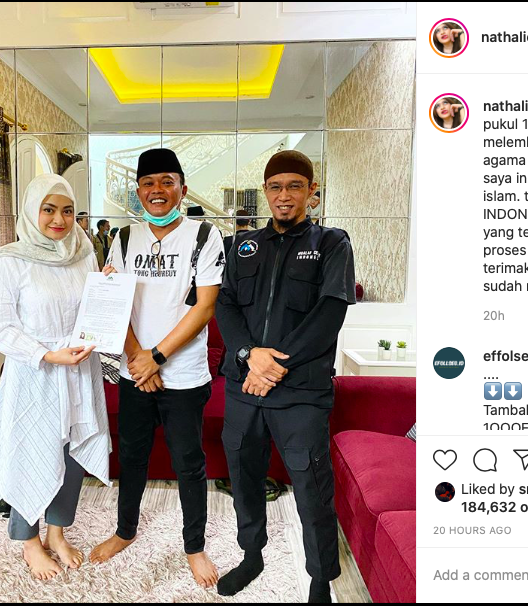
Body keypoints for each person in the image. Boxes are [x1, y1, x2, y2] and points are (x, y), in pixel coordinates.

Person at [216, 150, 356, 603]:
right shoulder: (243, 245)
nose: (284, 195)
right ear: (265, 191)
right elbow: (226, 305)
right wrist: (248, 355)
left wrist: (272, 366)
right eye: (275, 187)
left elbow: (329, 314)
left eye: (295, 186)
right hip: (244, 388)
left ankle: (320, 580)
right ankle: (251, 556)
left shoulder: (332, 244)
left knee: (312, 489)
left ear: (311, 192)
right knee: (244, 480)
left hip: (299, 393)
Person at [89, 148, 225, 589]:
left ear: (183, 189)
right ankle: (125, 531)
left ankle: (194, 546)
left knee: (189, 462)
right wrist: (138, 360)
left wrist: (157, 358)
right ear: (138, 191)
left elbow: (204, 308)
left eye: (167, 181)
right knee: (131, 457)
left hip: (184, 376)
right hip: (136, 373)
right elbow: (115, 303)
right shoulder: (125, 238)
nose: (157, 190)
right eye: (148, 183)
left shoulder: (204, 235)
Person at [0, 173, 111, 580]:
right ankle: (29, 541)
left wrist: (106, 289)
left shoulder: (83, 254)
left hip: (79, 369)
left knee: (71, 453)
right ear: (31, 210)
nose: (59, 219)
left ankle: (56, 532)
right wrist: (47, 354)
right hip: (34, 374)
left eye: (68, 211)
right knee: (30, 452)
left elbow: (89, 310)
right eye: (49, 209)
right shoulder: (10, 261)